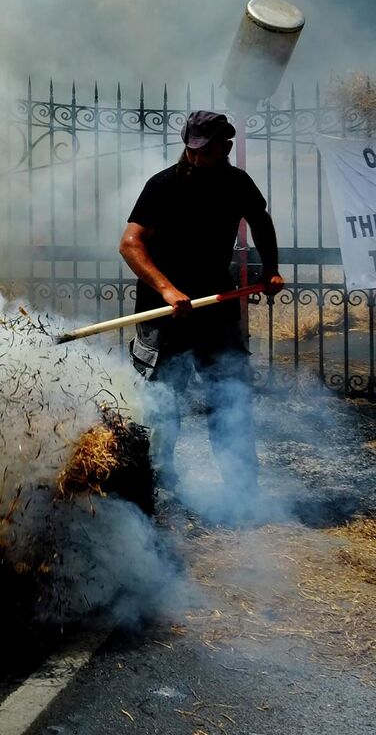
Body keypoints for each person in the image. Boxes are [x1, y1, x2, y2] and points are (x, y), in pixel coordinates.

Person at [118, 110, 283, 502]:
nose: (195, 159)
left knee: (230, 396)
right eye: (191, 151)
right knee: (162, 401)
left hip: (215, 306)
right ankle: (156, 485)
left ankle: (242, 488)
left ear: (225, 148)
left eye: (205, 153)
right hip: (165, 311)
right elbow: (130, 244)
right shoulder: (163, 186)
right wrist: (168, 289)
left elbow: (260, 221)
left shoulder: (237, 183)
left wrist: (271, 269)